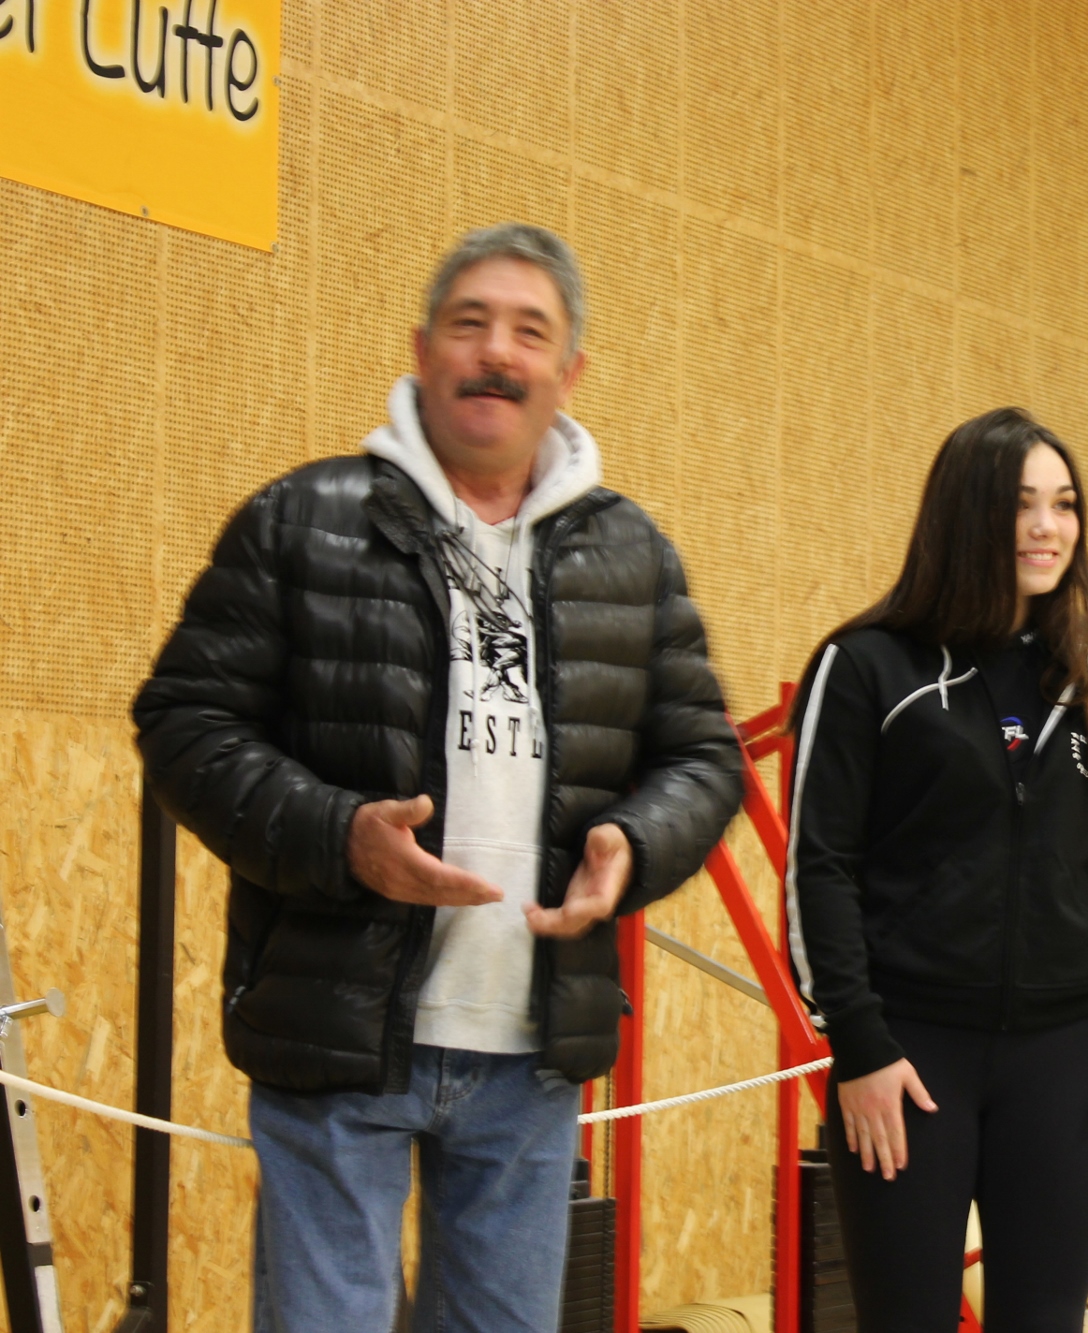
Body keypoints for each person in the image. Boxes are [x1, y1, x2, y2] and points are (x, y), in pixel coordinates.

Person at [131, 223, 743, 1333]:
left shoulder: (634, 556)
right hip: (339, 1032)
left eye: (528, 332)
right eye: (470, 325)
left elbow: (701, 755)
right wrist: (338, 835)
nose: (495, 354)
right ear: (421, 350)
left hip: (533, 1053)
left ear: (571, 372)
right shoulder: (301, 520)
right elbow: (182, 721)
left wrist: (634, 843)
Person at [786, 407, 1088, 1331]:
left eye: (1065, 504)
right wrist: (860, 1042)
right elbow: (820, 864)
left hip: (1066, 1059)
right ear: (965, 515)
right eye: (1021, 505)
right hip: (909, 1059)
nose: (1048, 527)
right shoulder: (865, 666)